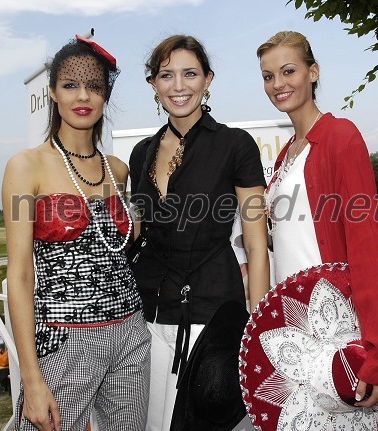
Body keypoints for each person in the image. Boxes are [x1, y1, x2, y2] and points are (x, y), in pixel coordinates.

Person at [2, 35, 151, 431]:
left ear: (105, 95)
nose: (82, 95)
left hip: (130, 335)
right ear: (52, 92)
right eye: (70, 84)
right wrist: (31, 381)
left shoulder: (118, 170)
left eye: (95, 86)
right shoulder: (26, 167)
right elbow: (18, 276)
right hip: (64, 340)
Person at [257, 31, 378, 409]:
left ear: (313, 72)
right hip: (295, 321)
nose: (278, 84)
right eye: (267, 75)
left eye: (288, 70)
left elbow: (365, 241)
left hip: (335, 320)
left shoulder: (340, 136)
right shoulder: (284, 157)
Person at [129, 34, 269, 431]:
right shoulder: (141, 153)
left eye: (190, 74)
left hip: (213, 314)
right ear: (153, 85)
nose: (178, 86)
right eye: (166, 75)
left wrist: (258, 328)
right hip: (150, 315)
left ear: (208, 80)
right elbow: (139, 238)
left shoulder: (235, 145)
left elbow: (257, 246)